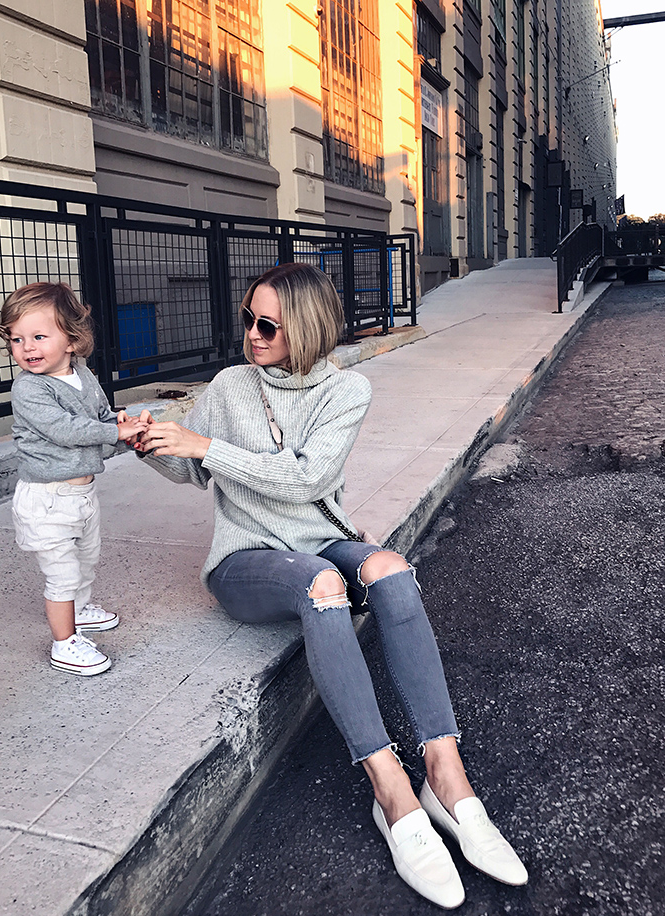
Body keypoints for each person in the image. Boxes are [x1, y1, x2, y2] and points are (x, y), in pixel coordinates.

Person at [135, 263, 527, 908]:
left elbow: (306, 481)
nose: (253, 336)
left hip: (319, 536)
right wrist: (150, 444)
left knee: (390, 569)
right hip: (247, 558)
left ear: (309, 329)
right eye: (248, 319)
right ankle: (390, 789)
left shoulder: (346, 391)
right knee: (321, 584)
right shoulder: (231, 385)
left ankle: (445, 776)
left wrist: (204, 443)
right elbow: (192, 472)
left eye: (270, 326)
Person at [0, 282, 146, 676]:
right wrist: (115, 433)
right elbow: (66, 430)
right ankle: (64, 643)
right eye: (17, 339)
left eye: (39, 336)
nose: (27, 347)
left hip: (81, 496)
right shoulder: (29, 388)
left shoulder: (82, 374)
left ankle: (79, 612)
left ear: (72, 339)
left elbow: (97, 419)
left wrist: (125, 428)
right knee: (62, 575)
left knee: (86, 561)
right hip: (46, 500)